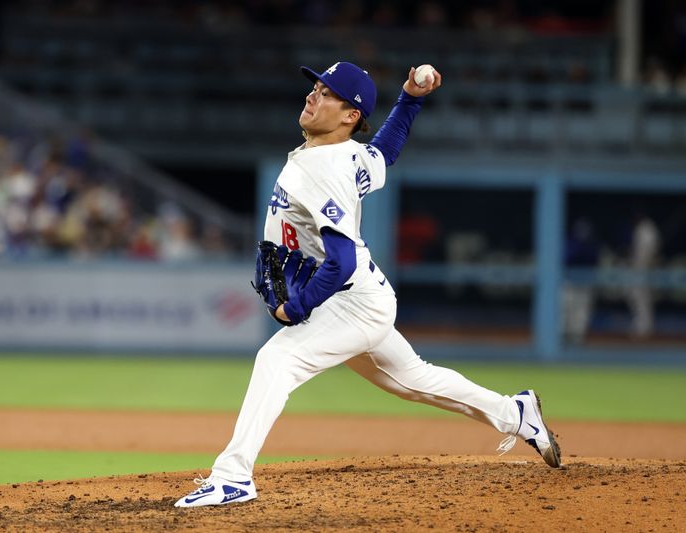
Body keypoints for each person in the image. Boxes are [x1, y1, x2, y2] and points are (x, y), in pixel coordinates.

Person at [174, 61, 561, 508]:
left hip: (351, 301)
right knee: (414, 379)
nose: (311, 96)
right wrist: (411, 99)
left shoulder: (322, 167)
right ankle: (515, 413)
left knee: (276, 358)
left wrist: (296, 310)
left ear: (349, 116)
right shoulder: (346, 154)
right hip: (361, 297)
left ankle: (233, 476)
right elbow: (385, 150)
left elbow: (338, 261)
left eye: (325, 93)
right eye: (314, 88)